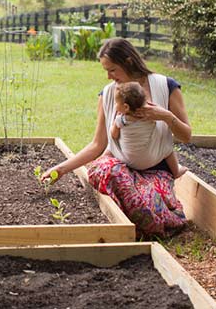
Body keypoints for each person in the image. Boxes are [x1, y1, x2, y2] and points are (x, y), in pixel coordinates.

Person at [42, 37, 192, 235]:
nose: (108, 77)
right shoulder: (109, 95)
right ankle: (139, 221)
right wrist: (61, 169)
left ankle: (156, 217)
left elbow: (186, 136)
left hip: (156, 170)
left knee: (146, 203)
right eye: (106, 71)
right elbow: (98, 144)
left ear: (128, 62)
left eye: (112, 70)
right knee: (108, 171)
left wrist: (165, 116)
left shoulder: (166, 86)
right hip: (122, 170)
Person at [110, 81, 187, 178]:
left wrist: (114, 125)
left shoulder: (120, 120)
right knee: (167, 148)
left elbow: (114, 135)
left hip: (129, 161)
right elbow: (160, 123)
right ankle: (176, 172)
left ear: (126, 107)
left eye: (116, 103)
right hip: (151, 159)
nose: (114, 106)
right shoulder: (150, 117)